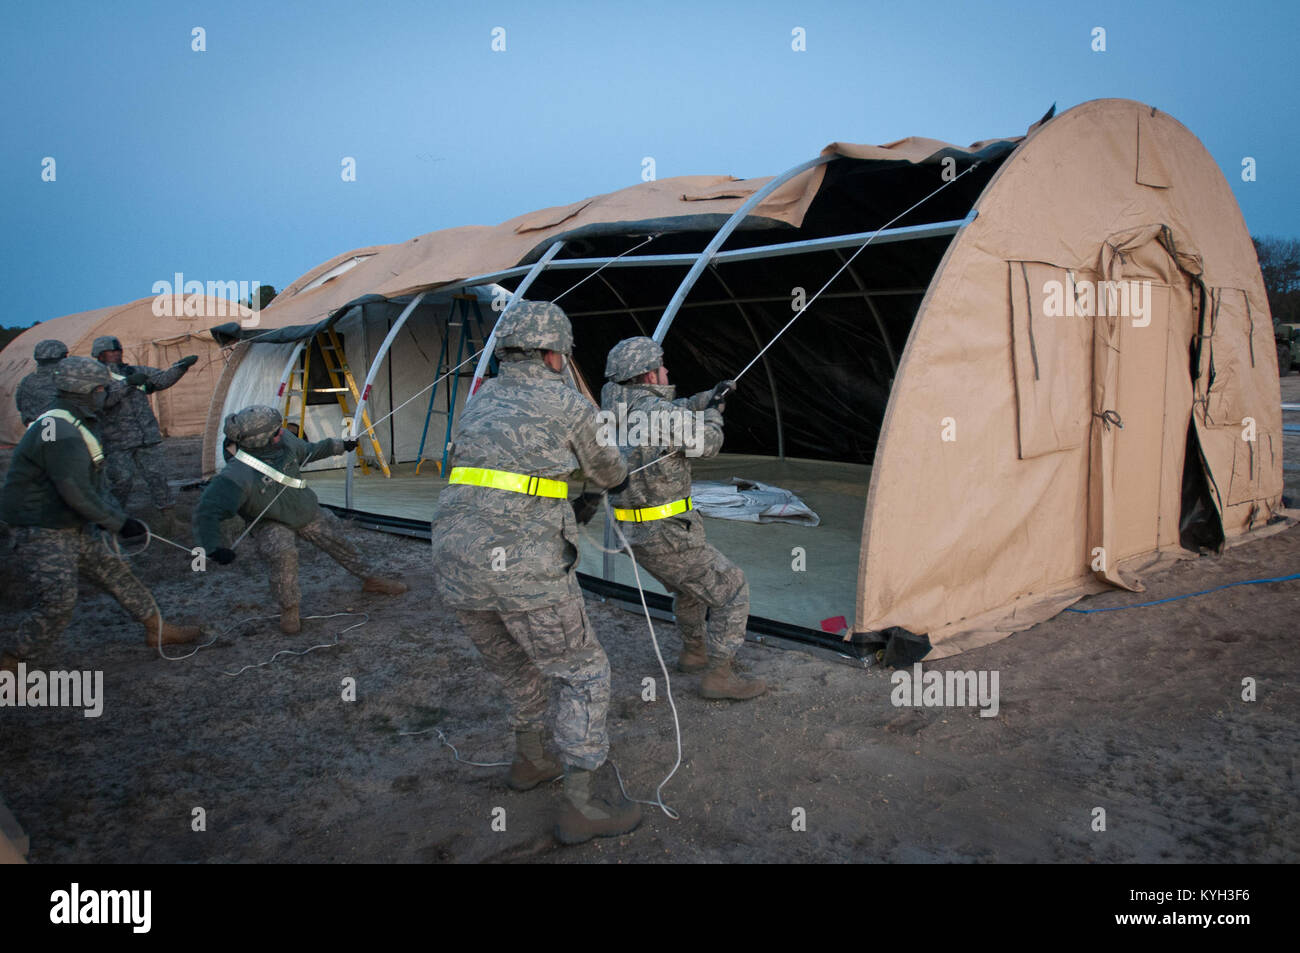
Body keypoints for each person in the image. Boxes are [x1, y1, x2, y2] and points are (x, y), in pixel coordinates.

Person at [430, 300, 639, 846]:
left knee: (515, 666)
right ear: (555, 354)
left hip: (456, 561)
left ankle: (529, 760)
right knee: (582, 672)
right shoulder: (569, 404)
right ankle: (580, 807)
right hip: (525, 569)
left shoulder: (477, 402)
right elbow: (611, 472)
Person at [0, 357, 201, 672]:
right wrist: (118, 523)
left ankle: (157, 629)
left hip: (69, 521)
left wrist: (112, 518)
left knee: (116, 573)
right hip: (41, 526)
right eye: (101, 388)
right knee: (59, 602)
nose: (106, 393)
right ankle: (12, 659)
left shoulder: (73, 420)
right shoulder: (59, 430)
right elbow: (75, 491)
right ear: (86, 391)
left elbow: (87, 487)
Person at [600, 336, 766, 700]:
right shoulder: (658, 416)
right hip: (665, 533)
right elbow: (708, 442)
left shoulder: (614, 407)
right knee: (732, 588)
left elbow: (674, 411)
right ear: (648, 375)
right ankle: (719, 676)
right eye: (661, 366)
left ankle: (694, 653)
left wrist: (708, 397)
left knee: (689, 589)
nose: (667, 370)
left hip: (631, 531)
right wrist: (713, 414)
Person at [192, 406, 408, 634]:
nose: (282, 432)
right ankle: (289, 609)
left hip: (305, 510)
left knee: (339, 541)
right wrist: (212, 548)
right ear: (259, 440)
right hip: (270, 522)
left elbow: (310, 450)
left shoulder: (285, 441)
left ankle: (371, 578)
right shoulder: (236, 475)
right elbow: (207, 512)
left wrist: (340, 446)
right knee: (283, 556)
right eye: (275, 431)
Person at [91, 335, 197, 517]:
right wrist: (126, 384)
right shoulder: (94, 378)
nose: (117, 354)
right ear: (99, 355)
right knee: (122, 481)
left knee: (157, 477)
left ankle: (167, 517)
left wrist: (180, 368)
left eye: (118, 351)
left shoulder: (134, 371)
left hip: (146, 437)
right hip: (117, 440)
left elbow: (161, 380)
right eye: (111, 351)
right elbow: (102, 403)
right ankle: (112, 519)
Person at [15, 339, 68, 425]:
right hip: (57, 431)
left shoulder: (27, 380)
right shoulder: (62, 379)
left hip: (33, 432)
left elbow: (20, 406)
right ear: (61, 357)